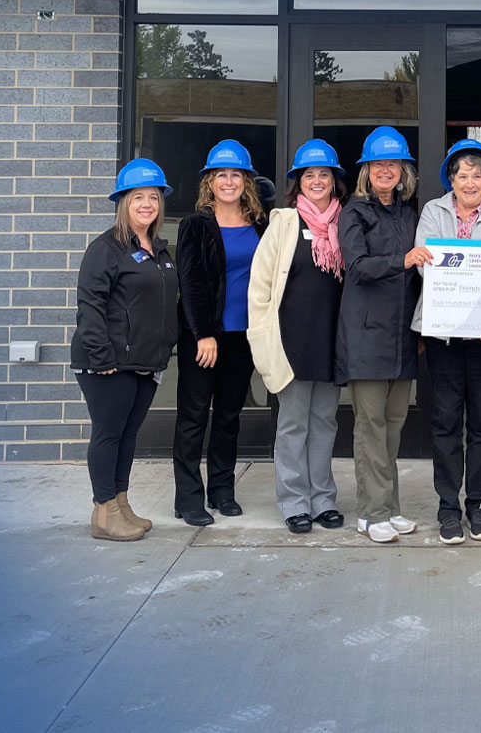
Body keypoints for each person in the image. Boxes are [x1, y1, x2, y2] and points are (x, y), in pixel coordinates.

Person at [410, 139, 481, 545]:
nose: (470, 182)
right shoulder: (432, 212)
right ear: (450, 180)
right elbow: (427, 265)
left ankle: (478, 503)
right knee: (445, 420)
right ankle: (447, 507)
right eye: (462, 175)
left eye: (478, 175)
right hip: (443, 331)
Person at [71, 158, 179, 541]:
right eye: (138, 197)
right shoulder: (106, 249)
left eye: (153, 197)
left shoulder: (159, 250)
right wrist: (102, 358)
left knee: (128, 434)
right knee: (108, 433)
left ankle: (121, 503)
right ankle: (104, 512)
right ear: (123, 202)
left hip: (144, 362)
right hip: (109, 364)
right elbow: (90, 306)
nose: (147, 203)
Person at [248, 139, 348, 534]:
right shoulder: (284, 223)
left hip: (330, 341)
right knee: (293, 425)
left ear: (335, 180)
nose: (318, 181)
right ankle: (294, 502)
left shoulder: (347, 222)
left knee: (325, 422)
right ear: (298, 183)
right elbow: (260, 287)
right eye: (310, 175)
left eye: (325, 174)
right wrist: (261, 338)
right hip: (290, 340)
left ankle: (323, 499)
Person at [173, 139, 268, 526]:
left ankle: (223, 491)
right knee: (193, 416)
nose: (228, 181)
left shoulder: (260, 224)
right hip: (205, 337)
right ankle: (188, 498)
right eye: (221, 175)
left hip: (243, 335)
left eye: (236, 175)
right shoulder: (195, 225)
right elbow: (191, 284)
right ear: (209, 182)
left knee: (229, 416)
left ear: (246, 181)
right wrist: (204, 334)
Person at [337, 126, 423, 543]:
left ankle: (390, 507)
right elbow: (357, 267)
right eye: (378, 164)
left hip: (403, 334)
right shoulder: (354, 212)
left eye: (393, 164)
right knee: (369, 426)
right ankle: (370, 514)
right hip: (367, 335)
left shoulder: (409, 213)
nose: (386, 170)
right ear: (366, 171)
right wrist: (402, 259)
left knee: (393, 425)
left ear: (403, 170)